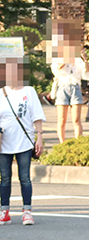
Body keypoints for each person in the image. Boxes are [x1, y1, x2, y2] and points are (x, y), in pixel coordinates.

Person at [0, 51, 45, 226]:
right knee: (5, 178)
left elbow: (37, 116)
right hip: (4, 143)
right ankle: (4, 211)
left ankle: (27, 212)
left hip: (24, 142)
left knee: (25, 177)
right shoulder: (1, 92)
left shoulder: (29, 91)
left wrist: (39, 137)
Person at [51, 37, 89, 143]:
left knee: (76, 119)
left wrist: (85, 59)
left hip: (75, 87)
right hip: (62, 87)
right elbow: (56, 70)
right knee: (61, 119)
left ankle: (78, 143)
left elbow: (86, 73)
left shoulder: (78, 60)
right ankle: (62, 142)